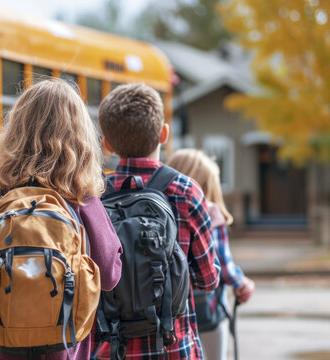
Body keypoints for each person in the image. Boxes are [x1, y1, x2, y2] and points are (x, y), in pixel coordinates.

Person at [0, 78, 123, 360]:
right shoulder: (81, 197)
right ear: (80, 136)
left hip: (1, 348)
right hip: (62, 350)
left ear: (16, 131)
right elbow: (108, 275)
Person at [93, 83, 221, 359]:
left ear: (107, 144)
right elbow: (208, 279)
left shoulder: (92, 194)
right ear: (164, 133)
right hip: (174, 347)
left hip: (111, 348)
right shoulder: (186, 190)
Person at [167, 149, 255, 360]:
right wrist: (243, 283)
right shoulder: (211, 212)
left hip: (170, 313)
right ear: (208, 185)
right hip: (207, 311)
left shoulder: (161, 207)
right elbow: (224, 267)